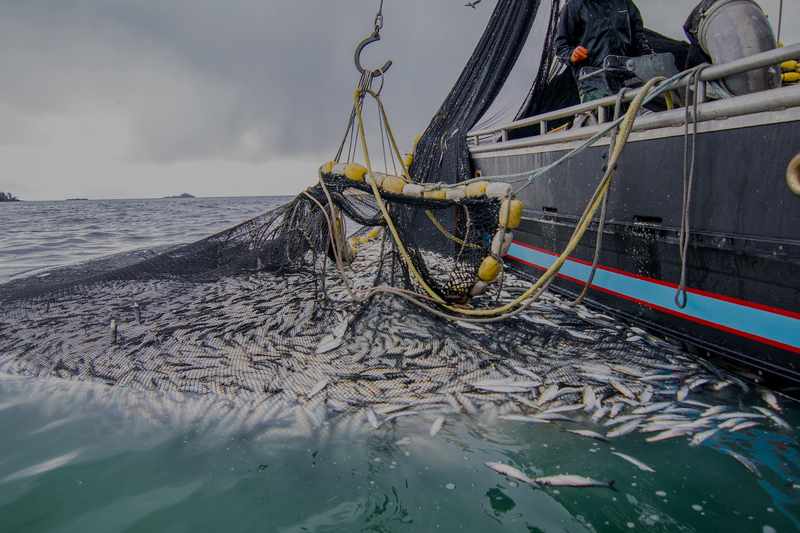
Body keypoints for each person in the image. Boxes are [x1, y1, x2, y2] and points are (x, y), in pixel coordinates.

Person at [554, 0, 653, 103]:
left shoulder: (626, 4)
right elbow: (561, 47)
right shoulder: (573, 6)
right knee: (601, 112)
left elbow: (640, 42)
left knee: (635, 111)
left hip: (628, 79)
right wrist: (572, 55)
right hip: (592, 84)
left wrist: (650, 61)